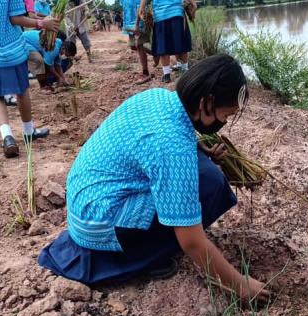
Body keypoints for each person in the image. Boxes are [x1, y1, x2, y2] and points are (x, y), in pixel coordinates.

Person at [38, 54, 270, 303]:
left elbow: (151, 148)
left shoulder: (159, 98)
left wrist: (201, 150)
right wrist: (240, 285)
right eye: (226, 115)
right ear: (207, 102)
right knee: (208, 187)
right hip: (99, 227)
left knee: (204, 174)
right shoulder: (172, 146)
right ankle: (142, 258)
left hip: (85, 204)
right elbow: (191, 241)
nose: (224, 122)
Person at [0, 0, 59, 158]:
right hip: (11, 48)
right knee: (21, 90)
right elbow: (15, 19)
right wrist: (42, 23)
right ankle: (29, 132)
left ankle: (7, 136)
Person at [138, 0, 195, 83]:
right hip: (176, 13)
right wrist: (193, 4)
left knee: (163, 45)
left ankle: (167, 74)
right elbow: (193, 4)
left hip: (161, 15)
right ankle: (184, 71)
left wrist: (141, 9)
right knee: (181, 43)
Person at [122, 0, 152, 85]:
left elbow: (140, 7)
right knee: (133, 46)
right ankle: (157, 53)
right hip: (128, 23)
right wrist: (125, 26)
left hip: (139, 21)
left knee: (140, 45)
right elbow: (125, 9)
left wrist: (137, 24)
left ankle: (145, 72)